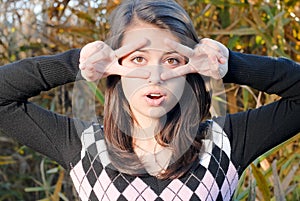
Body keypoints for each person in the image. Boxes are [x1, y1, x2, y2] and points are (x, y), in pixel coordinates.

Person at [0, 0, 299, 200]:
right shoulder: (83, 147)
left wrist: (230, 65)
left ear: (190, 70)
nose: (154, 76)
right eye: (138, 58)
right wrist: (74, 63)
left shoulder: (224, 143)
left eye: (171, 60)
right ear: (114, 68)